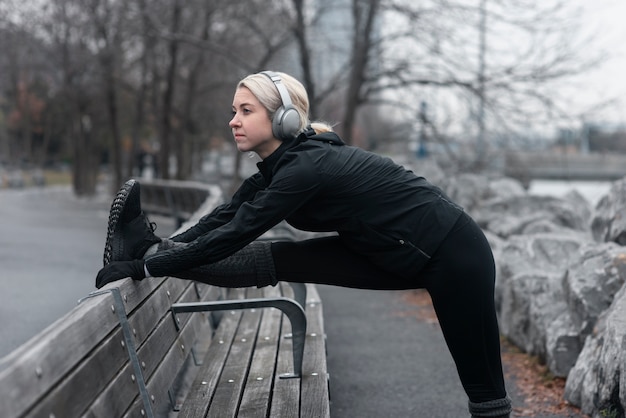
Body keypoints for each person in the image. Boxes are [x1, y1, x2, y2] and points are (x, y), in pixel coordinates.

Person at [96, 70, 512, 417]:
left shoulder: (305, 168)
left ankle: (146, 253)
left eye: (245, 111)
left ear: (283, 120)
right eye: (233, 111)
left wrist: (146, 269)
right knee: (285, 258)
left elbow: (238, 233)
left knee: (484, 389)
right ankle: (144, 245)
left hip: (453, 253)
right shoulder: (282, 166)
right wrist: (162, 247)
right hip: (385, 249)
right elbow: (226, 216)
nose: (233, 121)